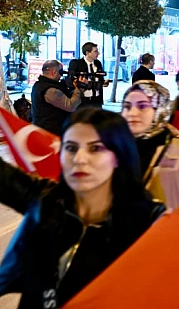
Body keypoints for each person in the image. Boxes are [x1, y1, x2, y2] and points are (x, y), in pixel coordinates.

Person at [0, 108, 165, 307]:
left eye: (95, 148)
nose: (79, 159)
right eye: (70, 148)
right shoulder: (48, 200)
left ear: (118, 156)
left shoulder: (148, 222)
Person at [122, 81, 179, 210]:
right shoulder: (112, 148)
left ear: (160, 109)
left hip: (168, 227)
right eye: (127, 107)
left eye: (142, 106)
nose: (132, 113)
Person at [31, 60, 82, 135]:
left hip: (43, 127)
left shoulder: (39, 85)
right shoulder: (51, 90)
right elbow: (70, 106)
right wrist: (79, 89)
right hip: (51, 131)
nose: (61, 75)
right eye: (60, 72)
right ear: (54, 72)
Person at [67, 42, 109, 108]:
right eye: (95, 51)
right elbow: (70, 81)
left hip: (97, 99)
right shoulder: (76, 63)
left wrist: (103, 83)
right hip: (82, 100)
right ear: (87, 53)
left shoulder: (98, 63)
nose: (98, 53)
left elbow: (100, 78)